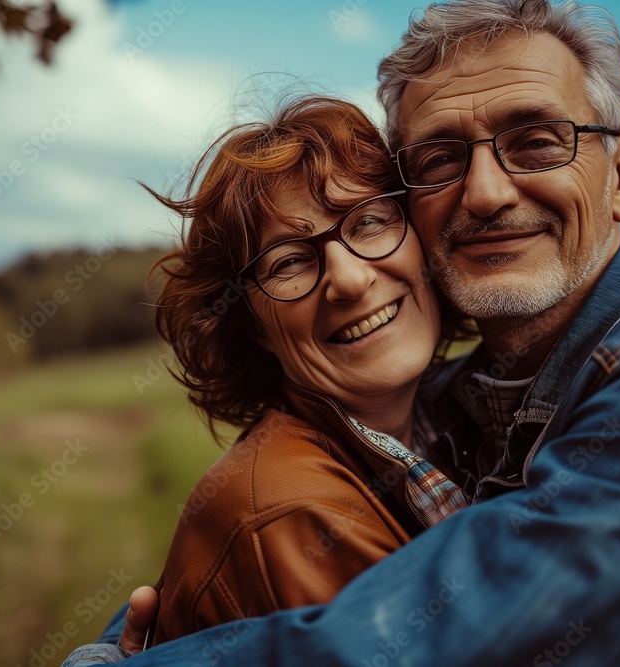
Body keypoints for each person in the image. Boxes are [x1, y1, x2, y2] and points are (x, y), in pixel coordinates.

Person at [75, 0, 620, 664]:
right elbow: (245, 546)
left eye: (535, 142)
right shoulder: (446, 404)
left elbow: (435, 637)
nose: (485, 192)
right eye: (441, 158)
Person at [65, 95, 473, 663]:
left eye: (371, 221)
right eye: (289, 262)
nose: (350, 280)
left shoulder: (459, 423)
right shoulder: (291, 513)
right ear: (252, 326)